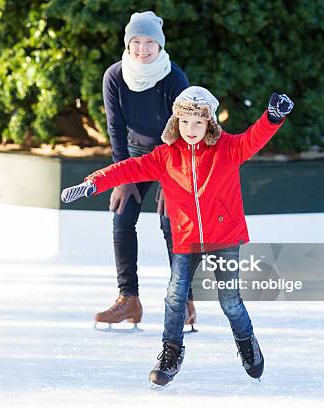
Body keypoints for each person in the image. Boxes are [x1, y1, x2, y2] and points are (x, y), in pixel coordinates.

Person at [61, 86, 294, 385]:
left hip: (223, 237)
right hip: (187, 238)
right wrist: (94, 183)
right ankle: (171, 352)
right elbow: (128, 169)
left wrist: (273, 117)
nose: (191, 129)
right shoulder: (165, 155)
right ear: (176, 123)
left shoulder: (227, 148)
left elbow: (254, 137)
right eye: (185, 122)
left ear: (209, 122)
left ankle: (247, 343)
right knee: (174, 297)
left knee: (229, 301)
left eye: (198, 122)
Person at [97, 11, 197, 330]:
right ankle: (129, 300)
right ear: (128, 44)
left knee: (172, 223)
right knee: (122, 215)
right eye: (136, 42)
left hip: (172, 153)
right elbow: (115, 127)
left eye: (149, 42)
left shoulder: (174, 78)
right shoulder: (114, 76)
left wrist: (173, 183)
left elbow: (183, 131)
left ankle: (184, 300)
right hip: (138, 153)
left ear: (159, 44)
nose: (142, 49)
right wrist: (122, 176)